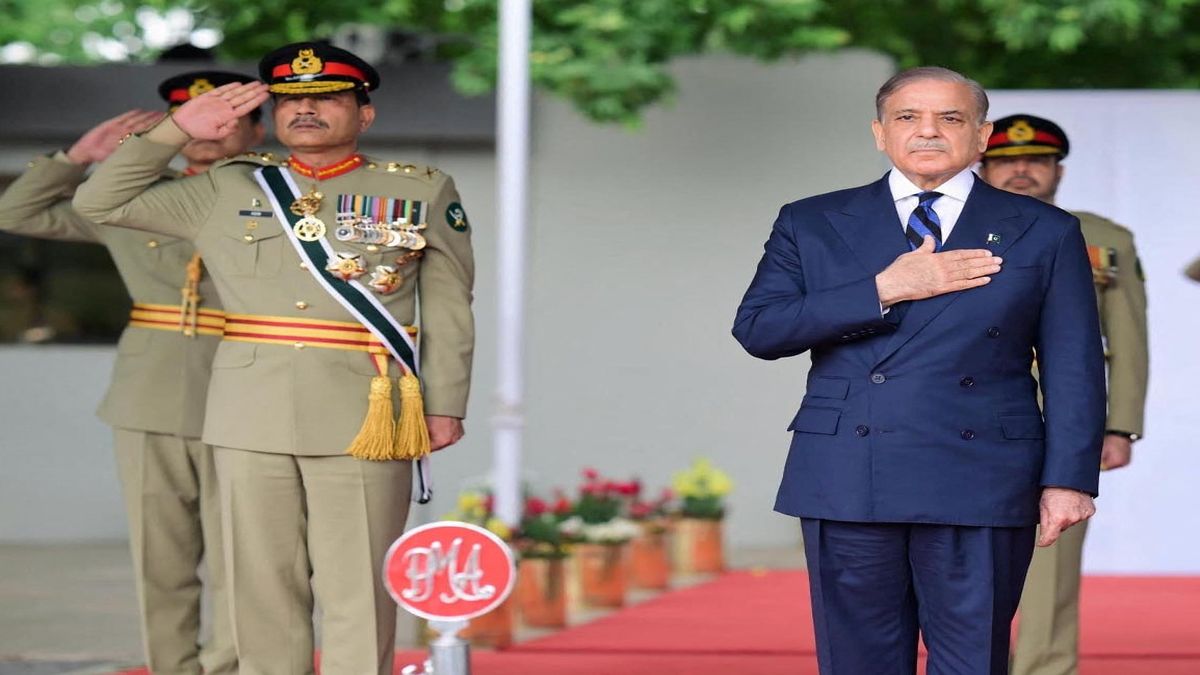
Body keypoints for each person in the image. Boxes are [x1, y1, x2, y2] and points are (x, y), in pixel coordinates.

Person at [73, 41, 475, 675]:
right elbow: (97, 203)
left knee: (356, 589)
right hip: (246, 413)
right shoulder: (223, 186)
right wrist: (175, 131)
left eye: (326, 98)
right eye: (291, 100)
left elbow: (451, 307)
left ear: (363, 114)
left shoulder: (421, 190)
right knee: (259, 589)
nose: (306, 109)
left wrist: (445, 404)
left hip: (365, 412)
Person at [732, 67, 1106, 675]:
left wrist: (1069, 480)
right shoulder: (812, 221)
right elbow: (761, 330)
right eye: (909, 118)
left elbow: (1074, 365)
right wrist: (883, 288)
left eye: (950, 119)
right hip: (848, 472)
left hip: (982, 473)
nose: (928, 132)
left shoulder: (1044, 230)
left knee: (971, 662)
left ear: (981, 136)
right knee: (859, 661)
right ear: (881, 133)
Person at [0, 68, 264, 675]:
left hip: (251, 386)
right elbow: (18, 213)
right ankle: (173, 668)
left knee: (246, 556)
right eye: (191, 116)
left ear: (255, 127)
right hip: (153, 392)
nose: (209, 130)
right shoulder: (132, 196)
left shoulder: (278, 193)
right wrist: (77, 158)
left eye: (226, 116)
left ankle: (230, 666)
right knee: (161, 557)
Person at [978, 114, 1149, 675]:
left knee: (1049, 561)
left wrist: (1118, 426)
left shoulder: (1103, 240)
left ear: (1058, 171)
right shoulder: (947, 228)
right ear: (981, 165)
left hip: (1060, 420)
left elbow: (1126, 340)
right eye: (1006, 160)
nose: (1021, 171)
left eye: (1036, 161)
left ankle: (1044, 669)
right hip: (961, 415)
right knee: (958, 563)